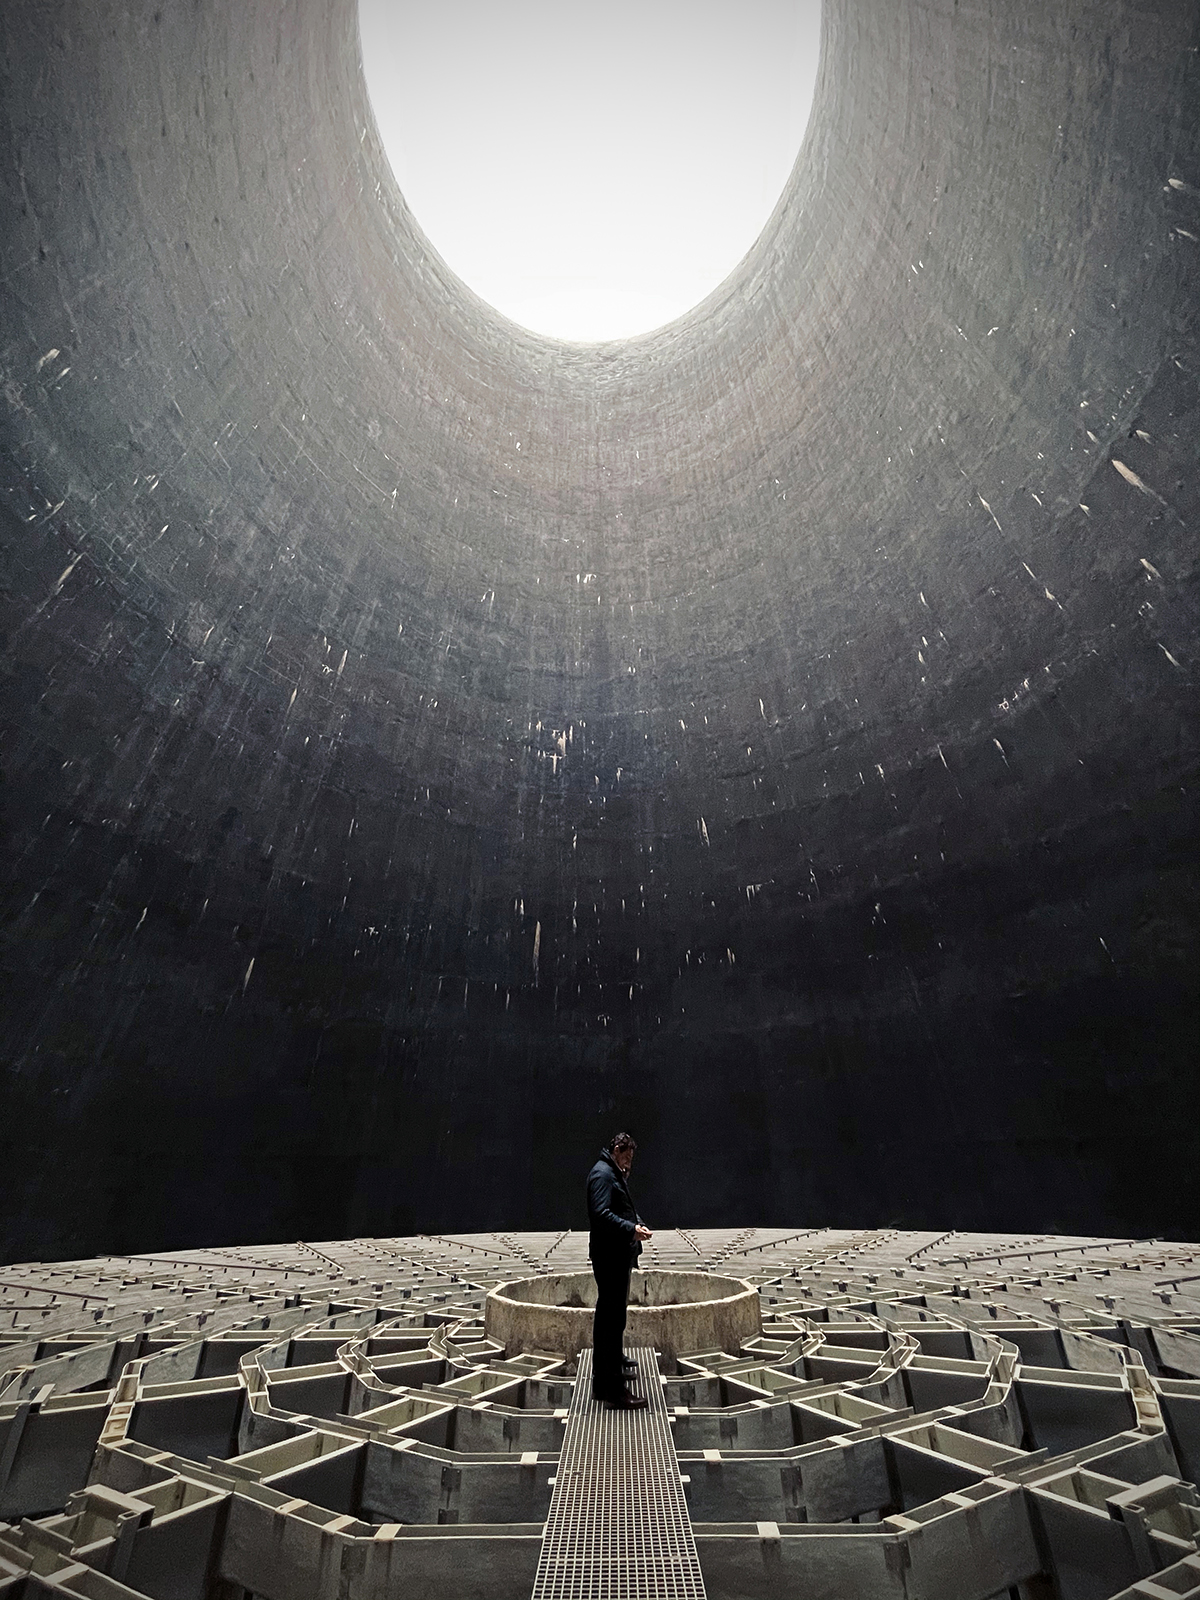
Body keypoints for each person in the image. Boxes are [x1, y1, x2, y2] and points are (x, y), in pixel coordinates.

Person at [586, 1132, 653, 1408]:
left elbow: (621, 1208)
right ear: (616, 1150)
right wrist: (631, 1230)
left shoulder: (612, 1172)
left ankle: (606, 1380)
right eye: (626, 1157)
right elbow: (601, 1214)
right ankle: (614, 1390)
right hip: (610, 1256)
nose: (629, 1163)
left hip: (615, 1255)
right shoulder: (603, 1175)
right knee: (609, 1322)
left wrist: (635, 1223)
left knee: (611, 1320)